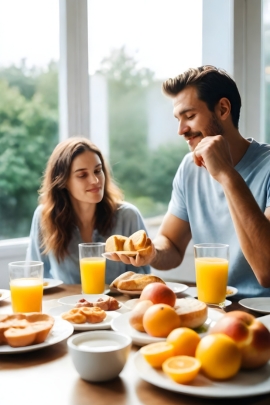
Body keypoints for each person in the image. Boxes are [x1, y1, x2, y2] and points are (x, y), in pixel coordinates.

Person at [112, 65, 270, 299]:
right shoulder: (189, 168)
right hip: (213, 306)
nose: (181, 130)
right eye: (178, 119)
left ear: (223, 109)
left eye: (190, 116)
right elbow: (172, 246)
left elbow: (266, 270)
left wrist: (226, 174)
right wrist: (152, 253)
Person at [26, 137, 150, 284]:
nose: (95, 180)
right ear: (63, 181)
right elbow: (34, 277)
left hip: (119, 306)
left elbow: (142, 277)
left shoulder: (128, 216)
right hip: (66, 306)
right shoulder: (44, 217)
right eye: (82, 175)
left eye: (98, 171)